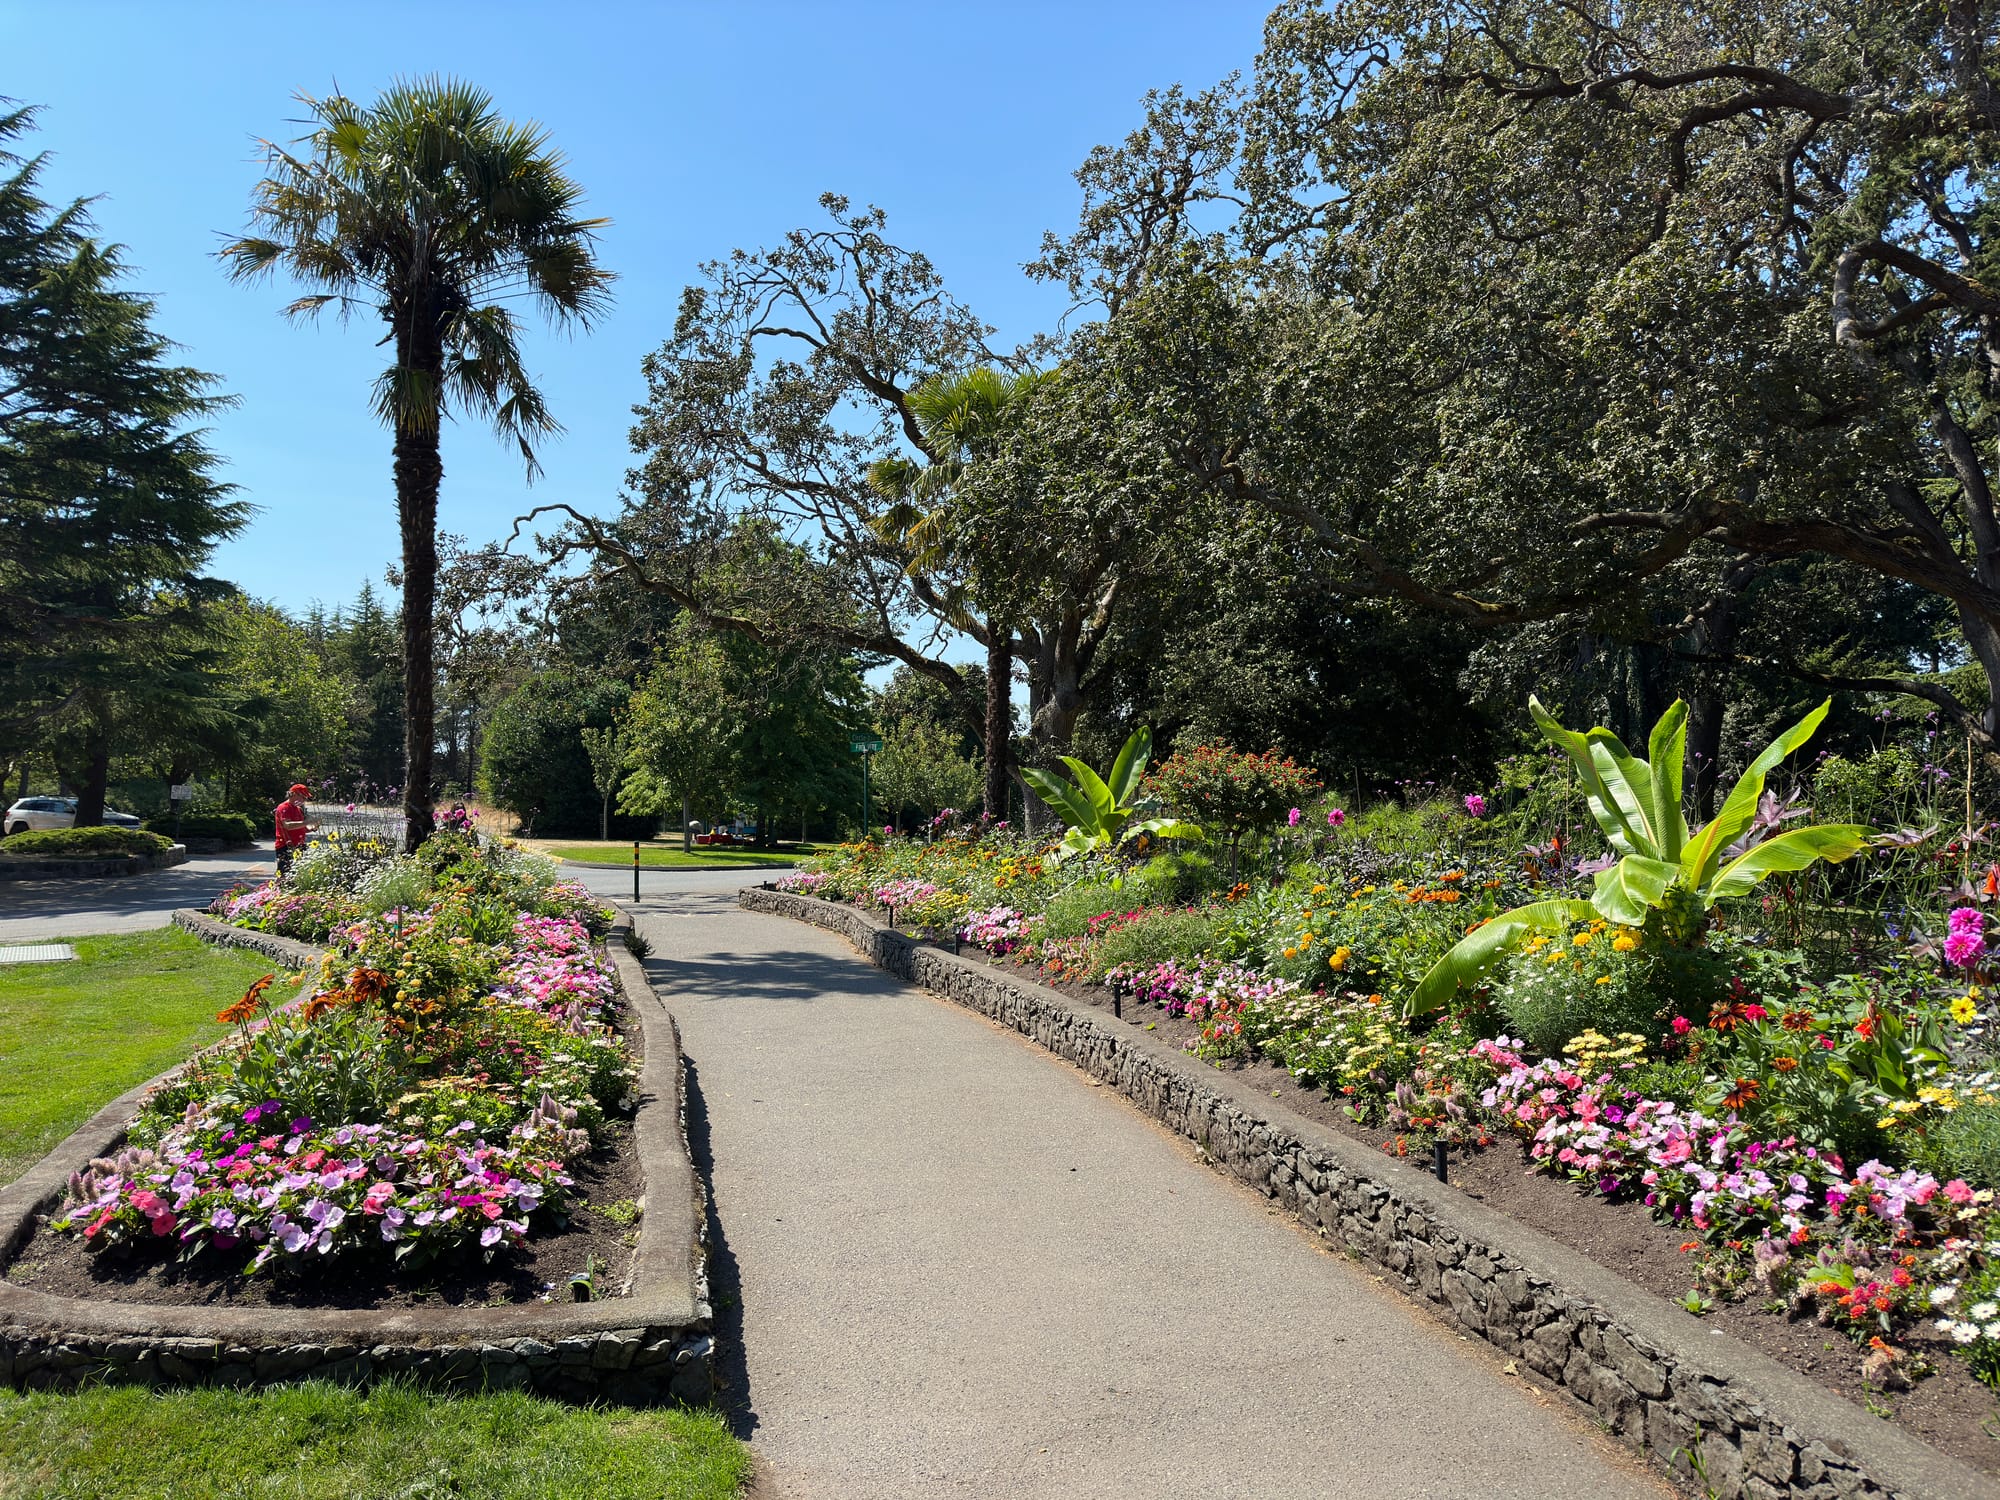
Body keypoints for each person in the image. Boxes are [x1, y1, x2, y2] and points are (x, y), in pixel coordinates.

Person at [273, 783, 316, 880]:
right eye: (303, 797)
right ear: (294, 794)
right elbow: (288, 825)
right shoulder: (284, 807)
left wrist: (312, 828)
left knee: (298, 875)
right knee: (284, 875)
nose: (304, 800)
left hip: (299, 845)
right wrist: (306, 822)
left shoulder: (298, 809)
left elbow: (301, 828)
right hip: (286, 845)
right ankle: (279, 888)